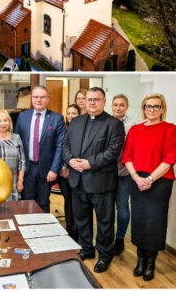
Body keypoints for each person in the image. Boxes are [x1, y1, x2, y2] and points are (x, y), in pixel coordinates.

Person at [62, 87, 125, 273]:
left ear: (104, 102)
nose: (92, 103)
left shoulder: (113, 124)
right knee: (82, 218)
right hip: (77, 180)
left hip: (101, 182)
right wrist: (70, 160)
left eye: (96, 99)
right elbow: (65, 144)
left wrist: (89, 163)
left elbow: (112, 152)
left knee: (105, 222)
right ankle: (87, 248)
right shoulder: (76, 122)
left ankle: (104, 255)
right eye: (89, 99)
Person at [122, 93, 176, 281]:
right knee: (138, 220)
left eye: (156, 106)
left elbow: (170, 159)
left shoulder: (170, 129)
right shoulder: (135, 130)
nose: (152, 110)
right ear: (143, 109)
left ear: (162, 109)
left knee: (154, 222)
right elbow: (127, 156)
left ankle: (150, 262)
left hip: (160, 181)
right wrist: (137, 178)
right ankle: (140, 259)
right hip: (136, 179)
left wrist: (150, 179)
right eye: (148, 106)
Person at [14, 85, 65, 213]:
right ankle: (27, 231)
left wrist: (54, 169)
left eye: (42, 97)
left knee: (43, 203)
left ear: (48, 99)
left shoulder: (57, 118)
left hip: (46, 170)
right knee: (26, 203)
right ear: (32, 99)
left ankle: (43, 231)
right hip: (27, 168)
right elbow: (17, 143)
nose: (39, 100)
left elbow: (60, 146)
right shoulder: (23, 117)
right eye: (36, 97)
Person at [111, 94, 135, 256]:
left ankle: (119, 239)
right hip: (106, 172)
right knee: (105, 207)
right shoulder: (106, 122)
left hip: (124, 172)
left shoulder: (133, 125)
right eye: (115, 105)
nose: (118, 108)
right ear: (111, 106)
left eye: (121, 105)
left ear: (127, 107)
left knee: (122, 206)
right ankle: (106, 237)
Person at [58, 103, 82, 241]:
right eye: (69, 113)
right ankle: (70, 232)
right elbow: (59, 150)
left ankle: (79, 233)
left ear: (79, 115)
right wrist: (62, 168)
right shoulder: (63, 130)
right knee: (68, 202)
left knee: (78, 203)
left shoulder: (82, 130)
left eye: (74, 113)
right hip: (64, 174)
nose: (71, 116)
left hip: (79, 173)